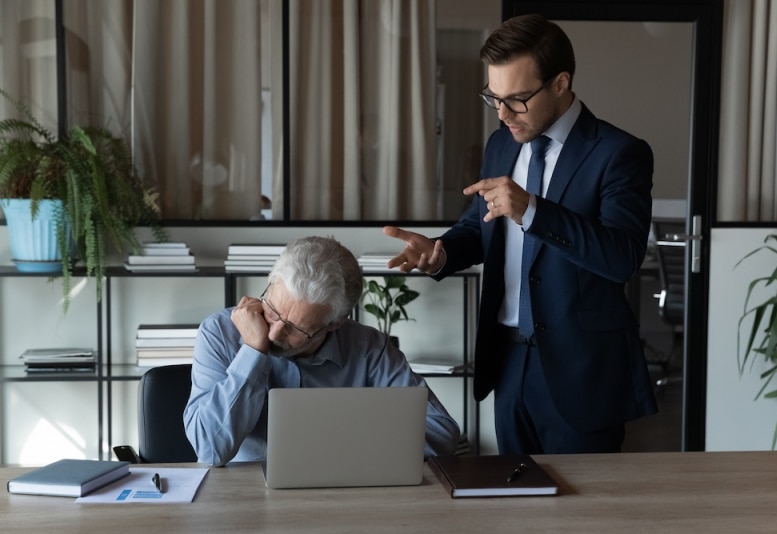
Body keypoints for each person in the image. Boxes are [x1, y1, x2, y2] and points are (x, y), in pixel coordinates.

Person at [384, 14, 658, 455]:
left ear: (560, 83)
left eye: (517, 99)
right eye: (493, 97)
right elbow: (481, 224)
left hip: (581, 371)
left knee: (582, 518)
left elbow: (621, 257)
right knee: (514, 508)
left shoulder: (619, 154)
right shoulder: (501, 144)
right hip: (508, 361)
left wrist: (533, 210)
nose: (503, 113)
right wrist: (442, 252)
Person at [184, 236, 460, 466]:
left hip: (345, 495)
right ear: (269, 285)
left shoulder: (369, 348)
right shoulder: (220, 332)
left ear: (337, 322)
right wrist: (253, 352)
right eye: (272, 311)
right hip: (244, 498)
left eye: (295, 329)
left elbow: (441, 433)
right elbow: (209, 450)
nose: (274, 333)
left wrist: (334, 450)